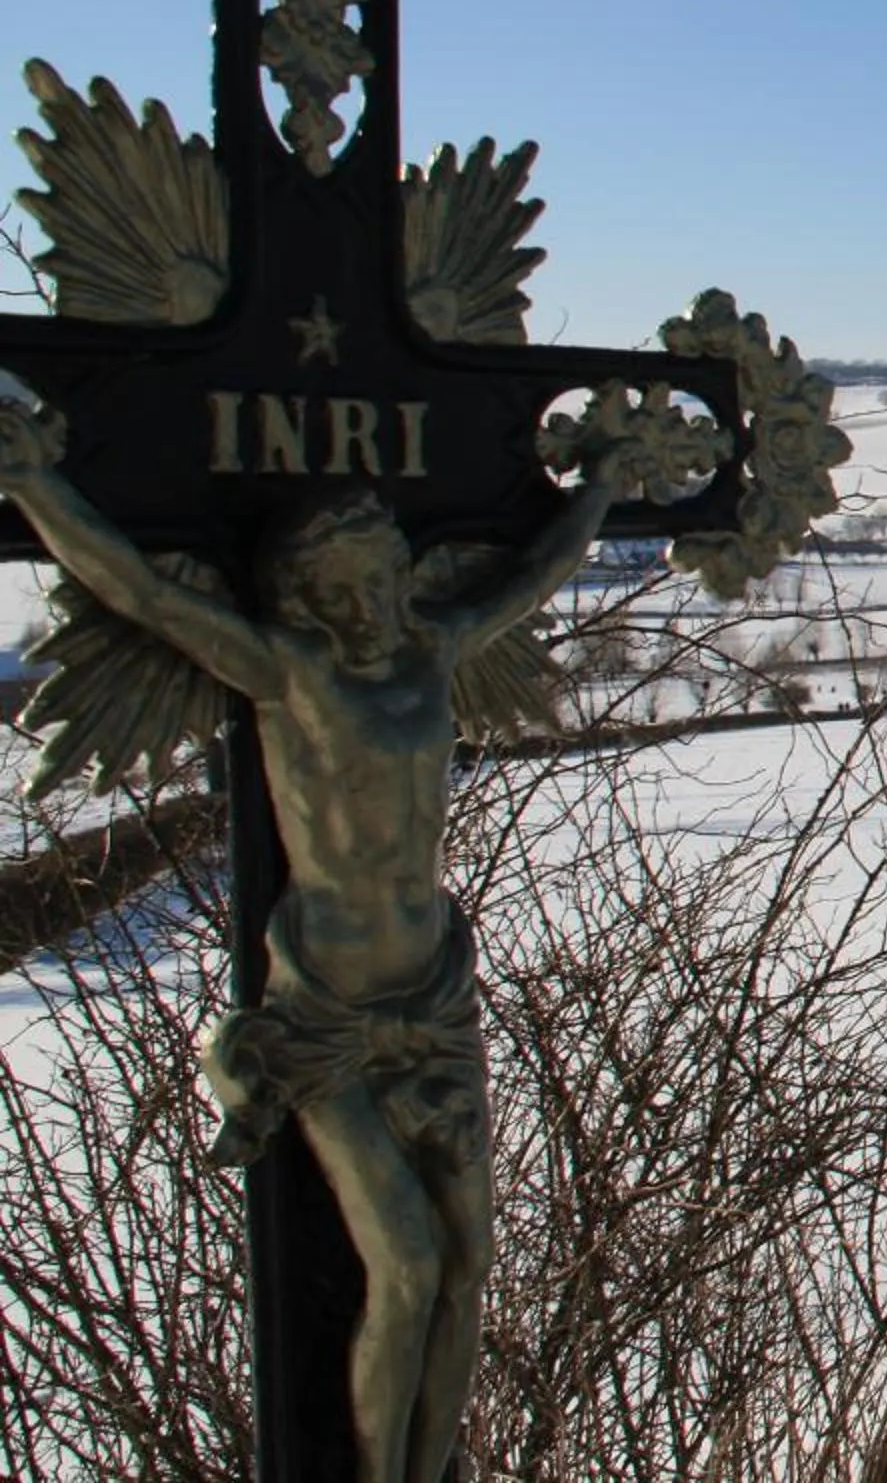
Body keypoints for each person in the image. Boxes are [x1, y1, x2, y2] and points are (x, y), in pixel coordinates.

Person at [0, 395, 629, 1483]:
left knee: (471, 1266)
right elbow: (141, 590)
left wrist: (605, 485)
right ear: (307, 594)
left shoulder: (433, 649)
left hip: (436, 997)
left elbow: (535, 575)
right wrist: (31, 483)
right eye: (345, 588)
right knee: (408, 1264)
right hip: (327, 1015)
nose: (370, 603)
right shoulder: (291, 672)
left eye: (381, 579)